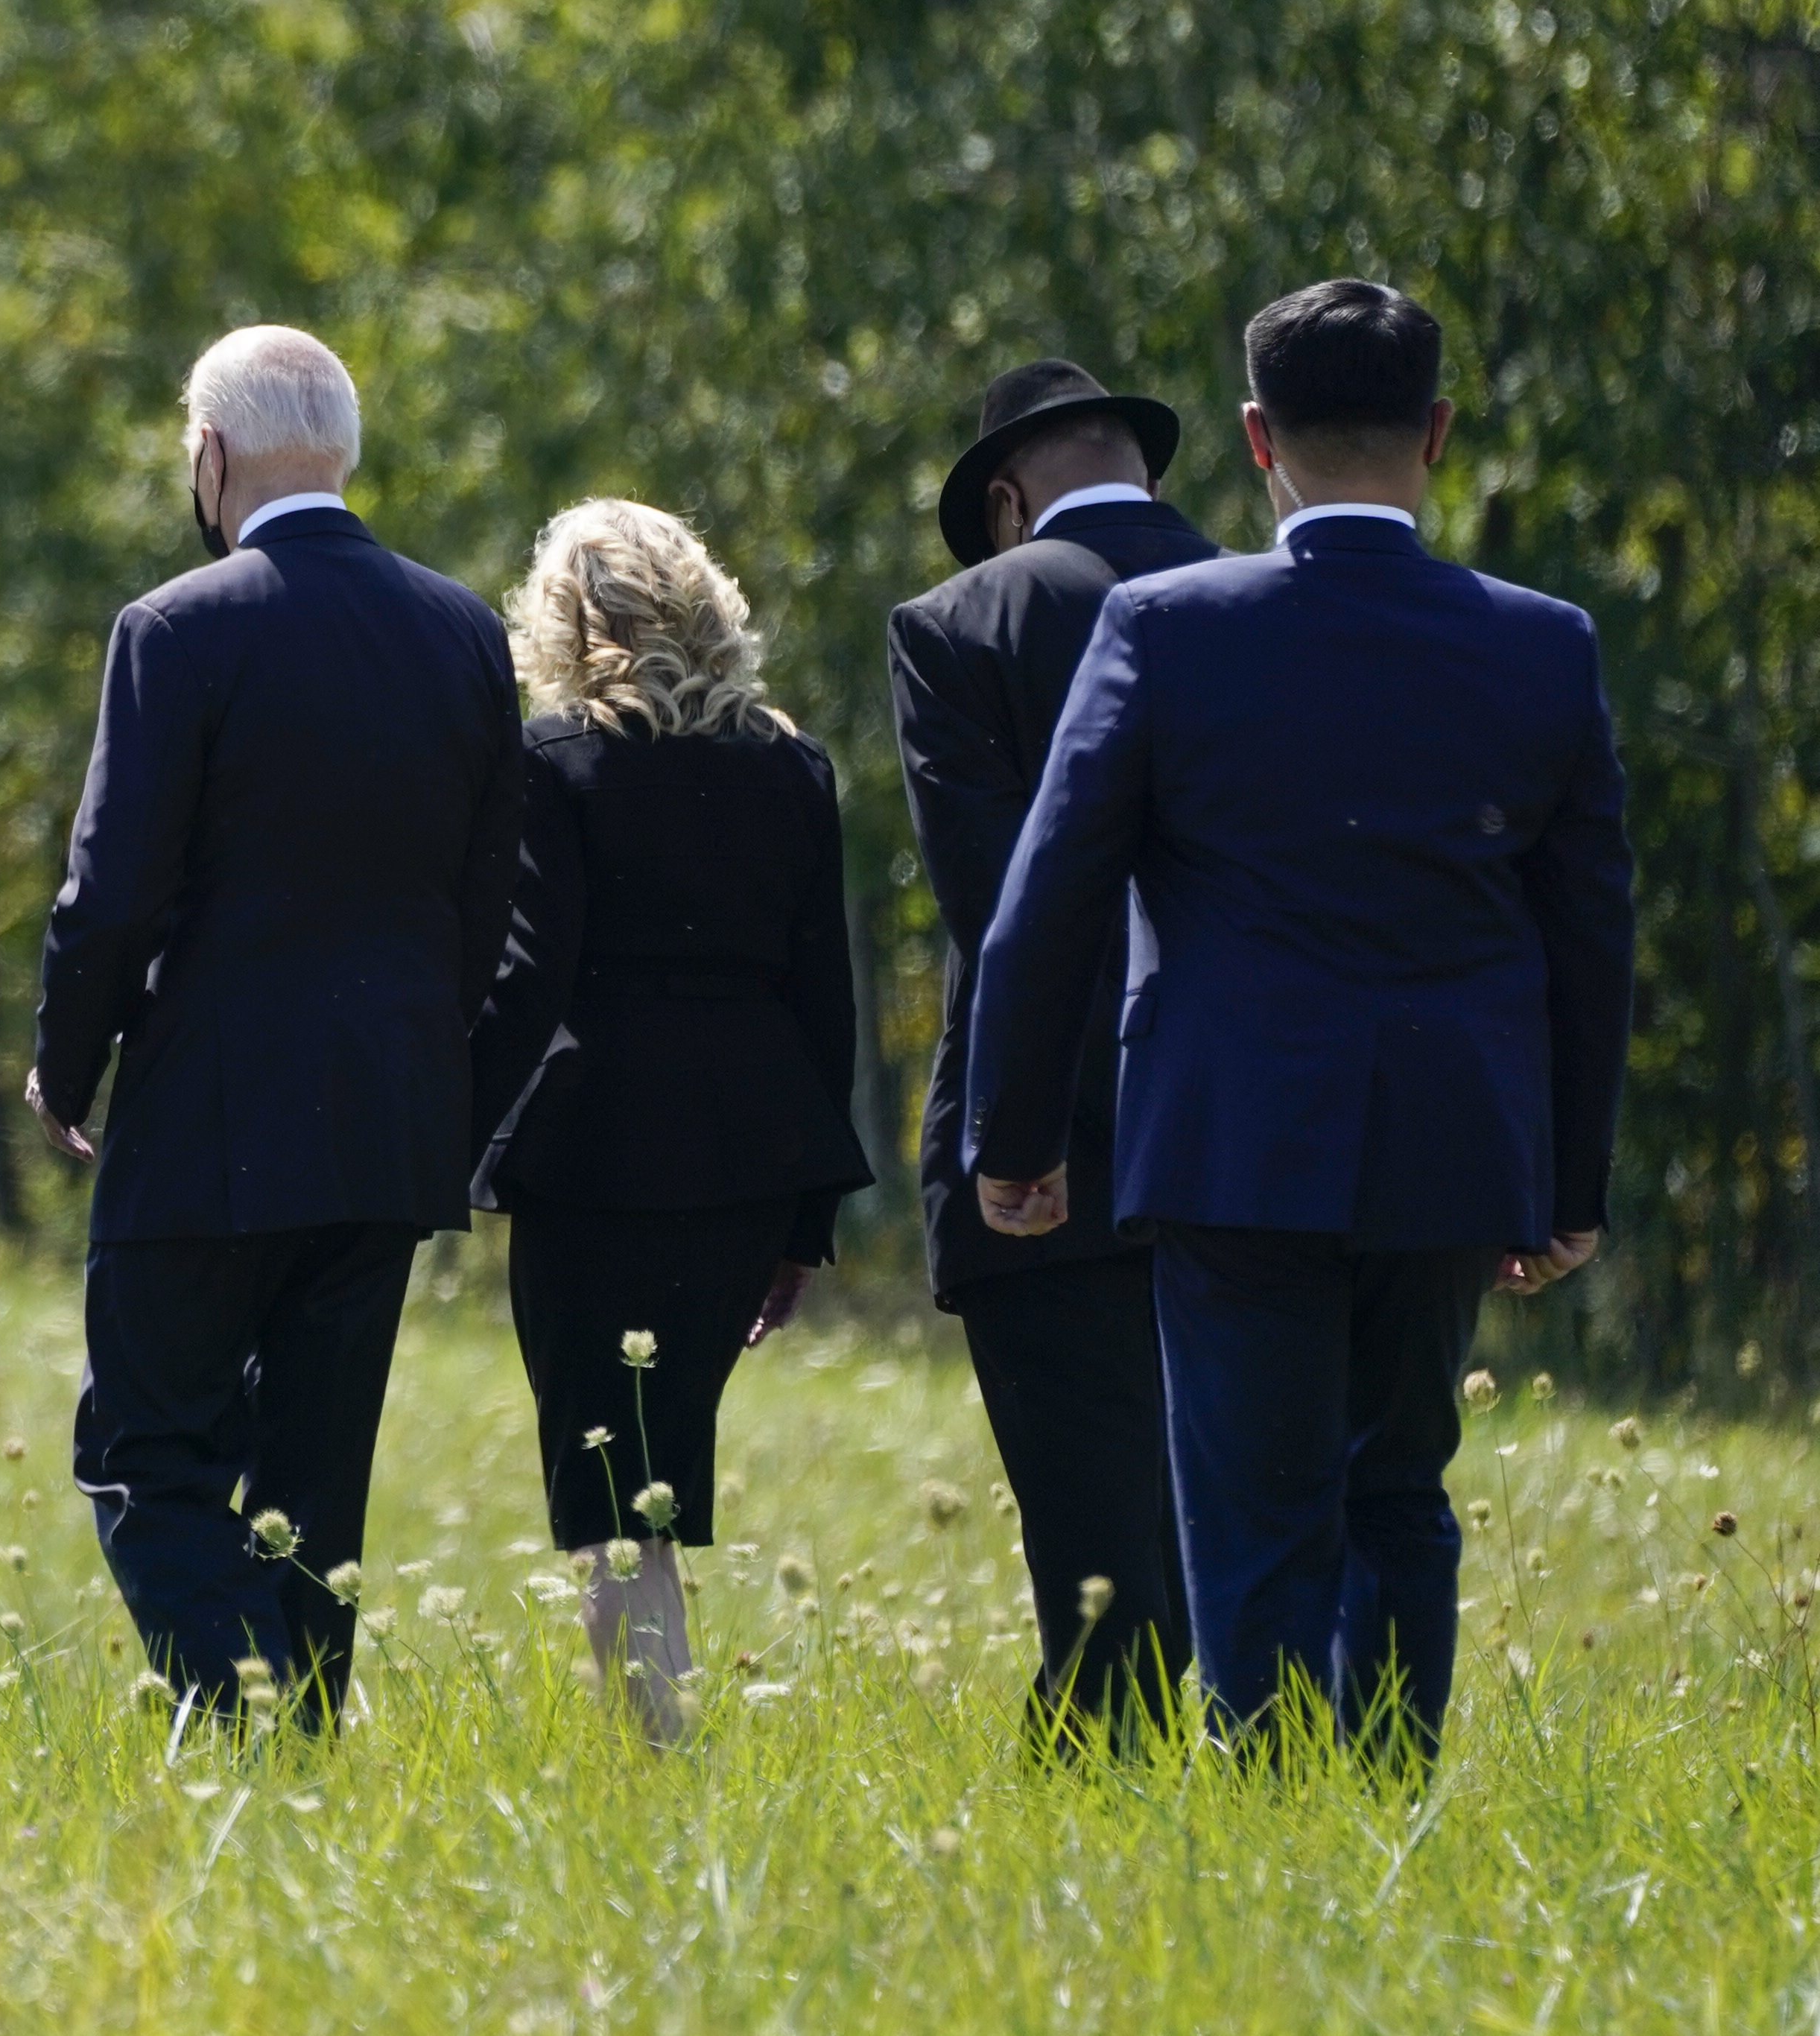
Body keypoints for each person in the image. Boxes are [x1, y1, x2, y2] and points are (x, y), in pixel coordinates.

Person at [971, 280, 1634, 1767]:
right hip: (1449, 1139)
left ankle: (1270, 1804)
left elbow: (1048, 897)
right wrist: (1566, 1177)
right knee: (1397, 1479)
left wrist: (1011, 1137)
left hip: (1230, 1137)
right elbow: (1590, 932)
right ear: (1438, 432)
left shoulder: (1161, 624)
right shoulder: (1541, 644)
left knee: (1249, 1497)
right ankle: (1385, 1789)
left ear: (1255, 435)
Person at [31, 326, 522, 1731]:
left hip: (208, 1117)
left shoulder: (178, 628)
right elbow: (487, 898)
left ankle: (239, 1707)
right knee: (317, 1477)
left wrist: (68, 1067)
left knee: (140, 1449)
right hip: (390, 1123)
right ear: (343, 448)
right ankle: (296, 1741)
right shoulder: (460, 629)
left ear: (209, 455)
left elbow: (107, 891)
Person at [469, 499, 875, 1742]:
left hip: (594, 1153)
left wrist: (442, 1133)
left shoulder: (554, 762)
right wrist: (804, 1221)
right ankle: (659, 1735)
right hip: (748, 1154)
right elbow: (825, 1005)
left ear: (567, 622)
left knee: (606, 1488)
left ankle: (657, 1750)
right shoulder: (790, 766)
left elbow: (530, 974)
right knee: (659, 1469)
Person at [886, 360, 1219, 1747]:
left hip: (1053, 1144)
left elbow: (999, 907)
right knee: (1218, 1520)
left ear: (1007, 498)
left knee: (1090, 1557)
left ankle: (1087, 1805)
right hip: (1239, 1127)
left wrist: (1016, 1144)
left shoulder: (958, 621)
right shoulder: (1258, 591)